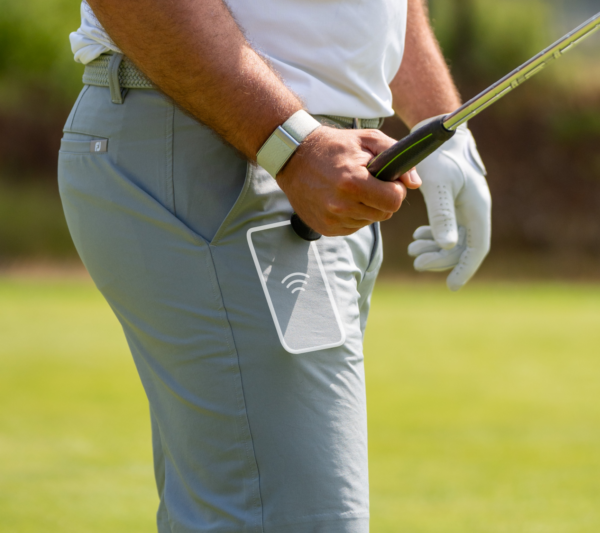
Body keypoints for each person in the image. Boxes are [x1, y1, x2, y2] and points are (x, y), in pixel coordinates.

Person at [59, 0, 491, 531]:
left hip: (301, 159)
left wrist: (441, 128)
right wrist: (292, 145)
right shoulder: (286, 148)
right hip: (239, 149)